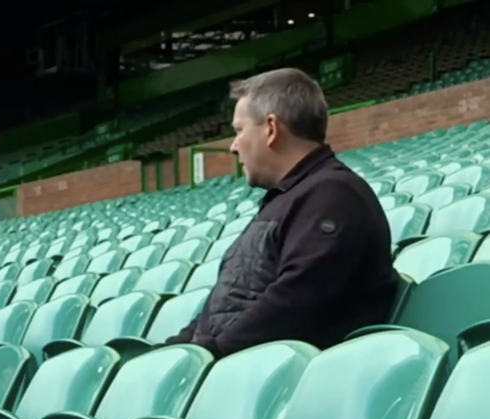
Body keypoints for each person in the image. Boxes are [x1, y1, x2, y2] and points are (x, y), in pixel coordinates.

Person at [165, 68, 398, 358]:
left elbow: (295, 301)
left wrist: (207, 357)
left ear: (272, 129)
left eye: (239, 130)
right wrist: (170, 355)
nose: (233, 147)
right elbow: (222, 305)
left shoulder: (333, 196)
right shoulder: (292, 197)